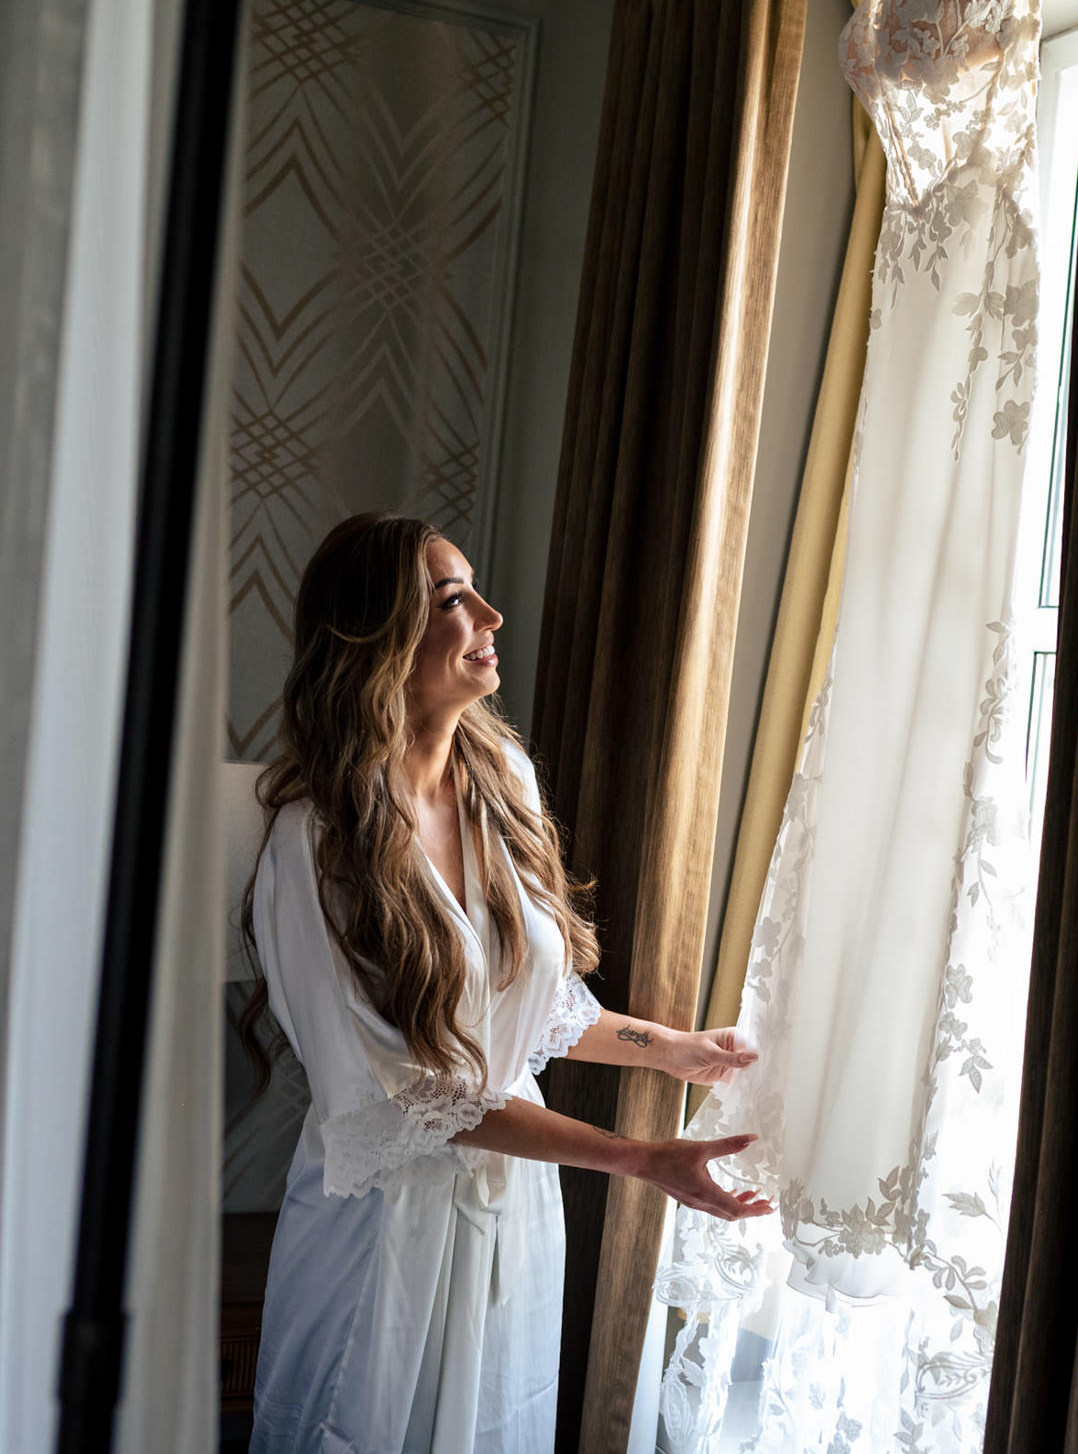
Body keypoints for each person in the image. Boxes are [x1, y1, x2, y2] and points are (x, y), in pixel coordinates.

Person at [239, 513, 773, 1454]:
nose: (490, 613)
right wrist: (640, 1159)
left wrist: (672, 1049)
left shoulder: (504, 783)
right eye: (451, 599)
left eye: (474, 588)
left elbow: (536, 1010)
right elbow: (412, 1100)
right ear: (378, 639)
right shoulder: (315, 844)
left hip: (515, 1213)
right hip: (383, 1242)